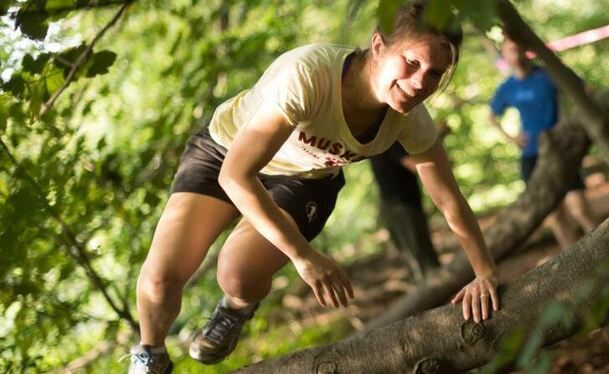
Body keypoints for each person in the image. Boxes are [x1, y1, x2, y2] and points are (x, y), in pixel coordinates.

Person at [127, 2, 500, 372]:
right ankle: (150, 355)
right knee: (160, 278)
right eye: (412, 63)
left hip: (304, 181)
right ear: (378, 46)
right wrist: (304, 256)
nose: (421, 84)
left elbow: (448, 199)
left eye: (435, 74)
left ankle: (237, 306)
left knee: (238, 275)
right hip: (225, 153)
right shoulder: (309, 75)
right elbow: (234, 175)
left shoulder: (411, 121)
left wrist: (484, 271)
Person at [489, 36, 597, 249]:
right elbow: (491, 116)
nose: (516, 54)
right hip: (531, 154)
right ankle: (575, 265)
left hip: (560, 148)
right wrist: (512, 138)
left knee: (580, 209)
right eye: (510, 50)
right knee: (555, 216)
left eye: (519, 49)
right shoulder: (507, 88)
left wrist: (575, 123)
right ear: (505, 55)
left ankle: (606, 252)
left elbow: (585, 89)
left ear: (526, 51)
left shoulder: (548, 75)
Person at [369, 123, 449, 282]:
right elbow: (416, 165)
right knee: (422, 258)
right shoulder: (389, 138)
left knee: (417, 257)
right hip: (402, 207)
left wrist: (437, 134)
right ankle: (436, 298)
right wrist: (442, 165)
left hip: (396, 206)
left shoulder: (377, 139)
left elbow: (414, 149)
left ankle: (433, 295)